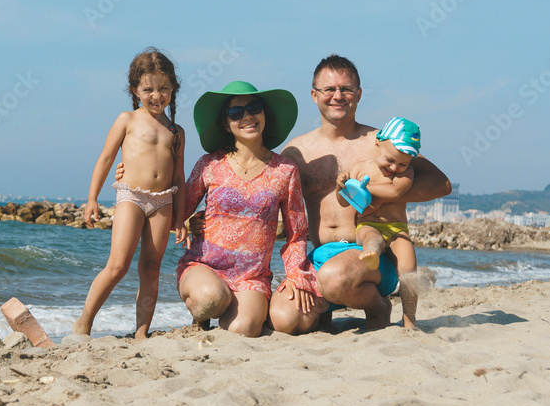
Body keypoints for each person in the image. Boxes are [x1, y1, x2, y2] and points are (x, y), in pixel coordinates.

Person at [277, 55, 451, 329]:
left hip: (372, 255)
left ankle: (378, 307)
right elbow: (269, 205)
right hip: (321, 256)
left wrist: (388, 192)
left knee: (334, 278)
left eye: (346, 89)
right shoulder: (296, 152)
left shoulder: (382, 143)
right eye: (329, 90)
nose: (338, 96)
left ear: (358, 94)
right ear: (314, 95)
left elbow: (441, 184)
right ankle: (326, 306)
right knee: (284, 320)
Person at [175, 81, 324, 337]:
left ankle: (241, 310)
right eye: (236, 113)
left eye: (254, 108)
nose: (247, 116)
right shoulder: (210, 164)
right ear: (225, 123)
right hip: (204, 266)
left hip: (251, 278)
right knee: (210, 300)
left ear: (265, 114)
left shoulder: (285, 171)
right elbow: (178, 209)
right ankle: (203, 315)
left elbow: (297, 234)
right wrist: (188, 223)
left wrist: (296, 275)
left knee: (242, 331)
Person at [73, 48, 187, 340]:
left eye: (163, 88)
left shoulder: (176, 132)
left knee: (151, 268)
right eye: (148, 89)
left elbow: (179, 177)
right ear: (135, 90)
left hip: (163, 201)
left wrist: (181, 218)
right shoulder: (127, 119)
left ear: (173, 88)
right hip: (131, 197)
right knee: (118, 265)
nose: (156, 95)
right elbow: (106, 159)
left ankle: (141, 331)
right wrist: (92, 199)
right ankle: (84, 322)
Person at [337, 117, 423, 329]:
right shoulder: (359, 168)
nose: (395, 167)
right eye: (390, 160)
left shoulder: (407, 173)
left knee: (409, 268)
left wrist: (362, 188)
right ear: (377, 144)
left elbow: (395, 191)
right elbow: (344, 201)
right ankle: (372, 253)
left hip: (397, 229)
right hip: (368, 224)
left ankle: (410, 320)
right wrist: (341, 186)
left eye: (402, 163)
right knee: (371, 238)